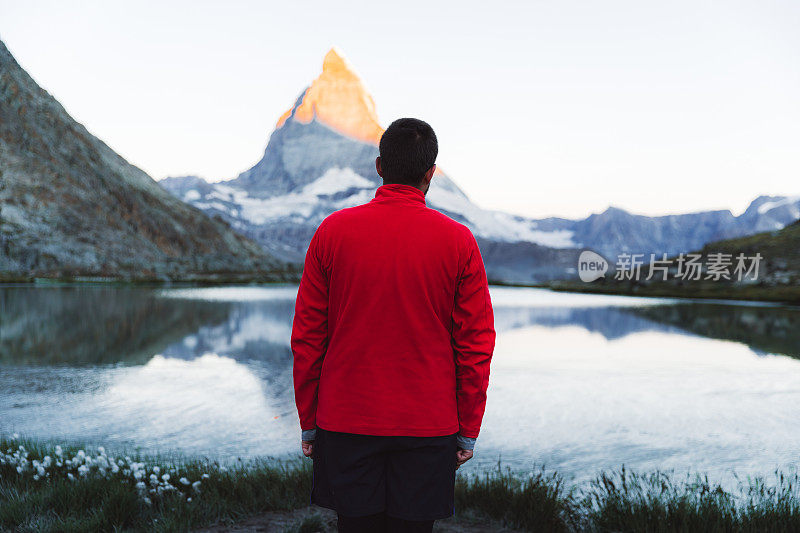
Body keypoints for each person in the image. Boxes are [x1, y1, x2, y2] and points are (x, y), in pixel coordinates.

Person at [291, 117, 496, 533]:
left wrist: (309, 421)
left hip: (345, 423)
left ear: (379, 166)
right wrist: (468, 429)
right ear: (431, 174)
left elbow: (308, 338)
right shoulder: (459, 242)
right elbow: (476, 345)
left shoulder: (332, 232)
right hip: (429, 426)